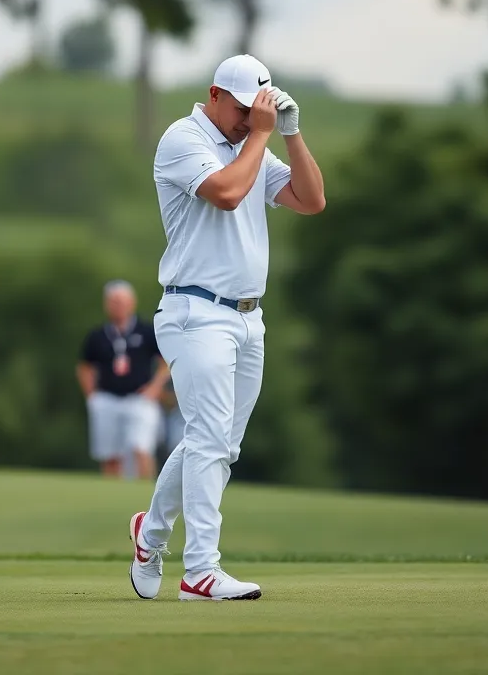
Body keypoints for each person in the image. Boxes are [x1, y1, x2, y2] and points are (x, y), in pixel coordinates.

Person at [128, 54, 326, 601]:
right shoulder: (183, 138)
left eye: (256, 111)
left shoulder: (253, 144)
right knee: (210, 441)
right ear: (214, 95)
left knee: (217, 445)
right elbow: (227, 192)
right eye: (242, 110)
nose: (248, 120)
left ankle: (151, 533)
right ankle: (200, 571)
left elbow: (312, 200)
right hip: (194, 312)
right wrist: (260, 135)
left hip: (248, 318)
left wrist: (290, 133)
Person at [76, 281, 169, 480]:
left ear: (131, 303)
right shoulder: (98, 335)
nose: (117, 306)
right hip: (107, 398)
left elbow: (165, 363)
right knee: (110, 454)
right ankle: (113, 494)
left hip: (139, 399)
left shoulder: (146, 331)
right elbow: (85, 367)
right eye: (113, 302)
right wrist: (92, 396)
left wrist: (154, 389)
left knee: (141, 448)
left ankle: (146, 493)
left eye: (121, 301)